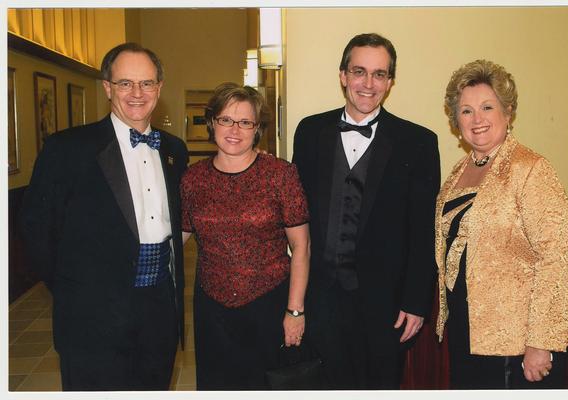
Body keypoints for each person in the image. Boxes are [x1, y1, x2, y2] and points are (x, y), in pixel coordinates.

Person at [20, 43, 189, 390]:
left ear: (159, 87)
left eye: (147, 83)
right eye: (126, 83)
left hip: (159, 310)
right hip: (91, 317)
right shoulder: (66, 149)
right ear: (107, 87)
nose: (137, 93)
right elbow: (35, 230)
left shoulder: (174, 150)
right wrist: (74, 289)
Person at [292, 33, 440, 389]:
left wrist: (416, 301)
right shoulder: (309, 131)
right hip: (320, 298)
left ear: (390, 82)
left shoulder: (419, 142)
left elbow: (424, 231)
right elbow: (294, 213)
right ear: (343, 75)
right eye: (359, 71)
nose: (368, 83)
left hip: (385, 306)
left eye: (379, 74)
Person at [435, 59, 568, 389]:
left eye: (487, 107)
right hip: (466, 332)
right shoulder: (457, 174)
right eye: (466, 111)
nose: (477, 119)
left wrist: (541, 343)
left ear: (508, 112)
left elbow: (557, 259)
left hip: (517, 343)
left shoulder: (530, 168)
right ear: (456, 120)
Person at [180, 83, 310, 390]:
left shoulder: (281, 175)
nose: (234, 129)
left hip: (268, 304)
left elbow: (301, 248)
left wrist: (295, 311)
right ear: (212, 122)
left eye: (245, 122)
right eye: (226, 119)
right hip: (212, 308)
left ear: (258, 128)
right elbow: (177, 238)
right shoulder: (192, 179)